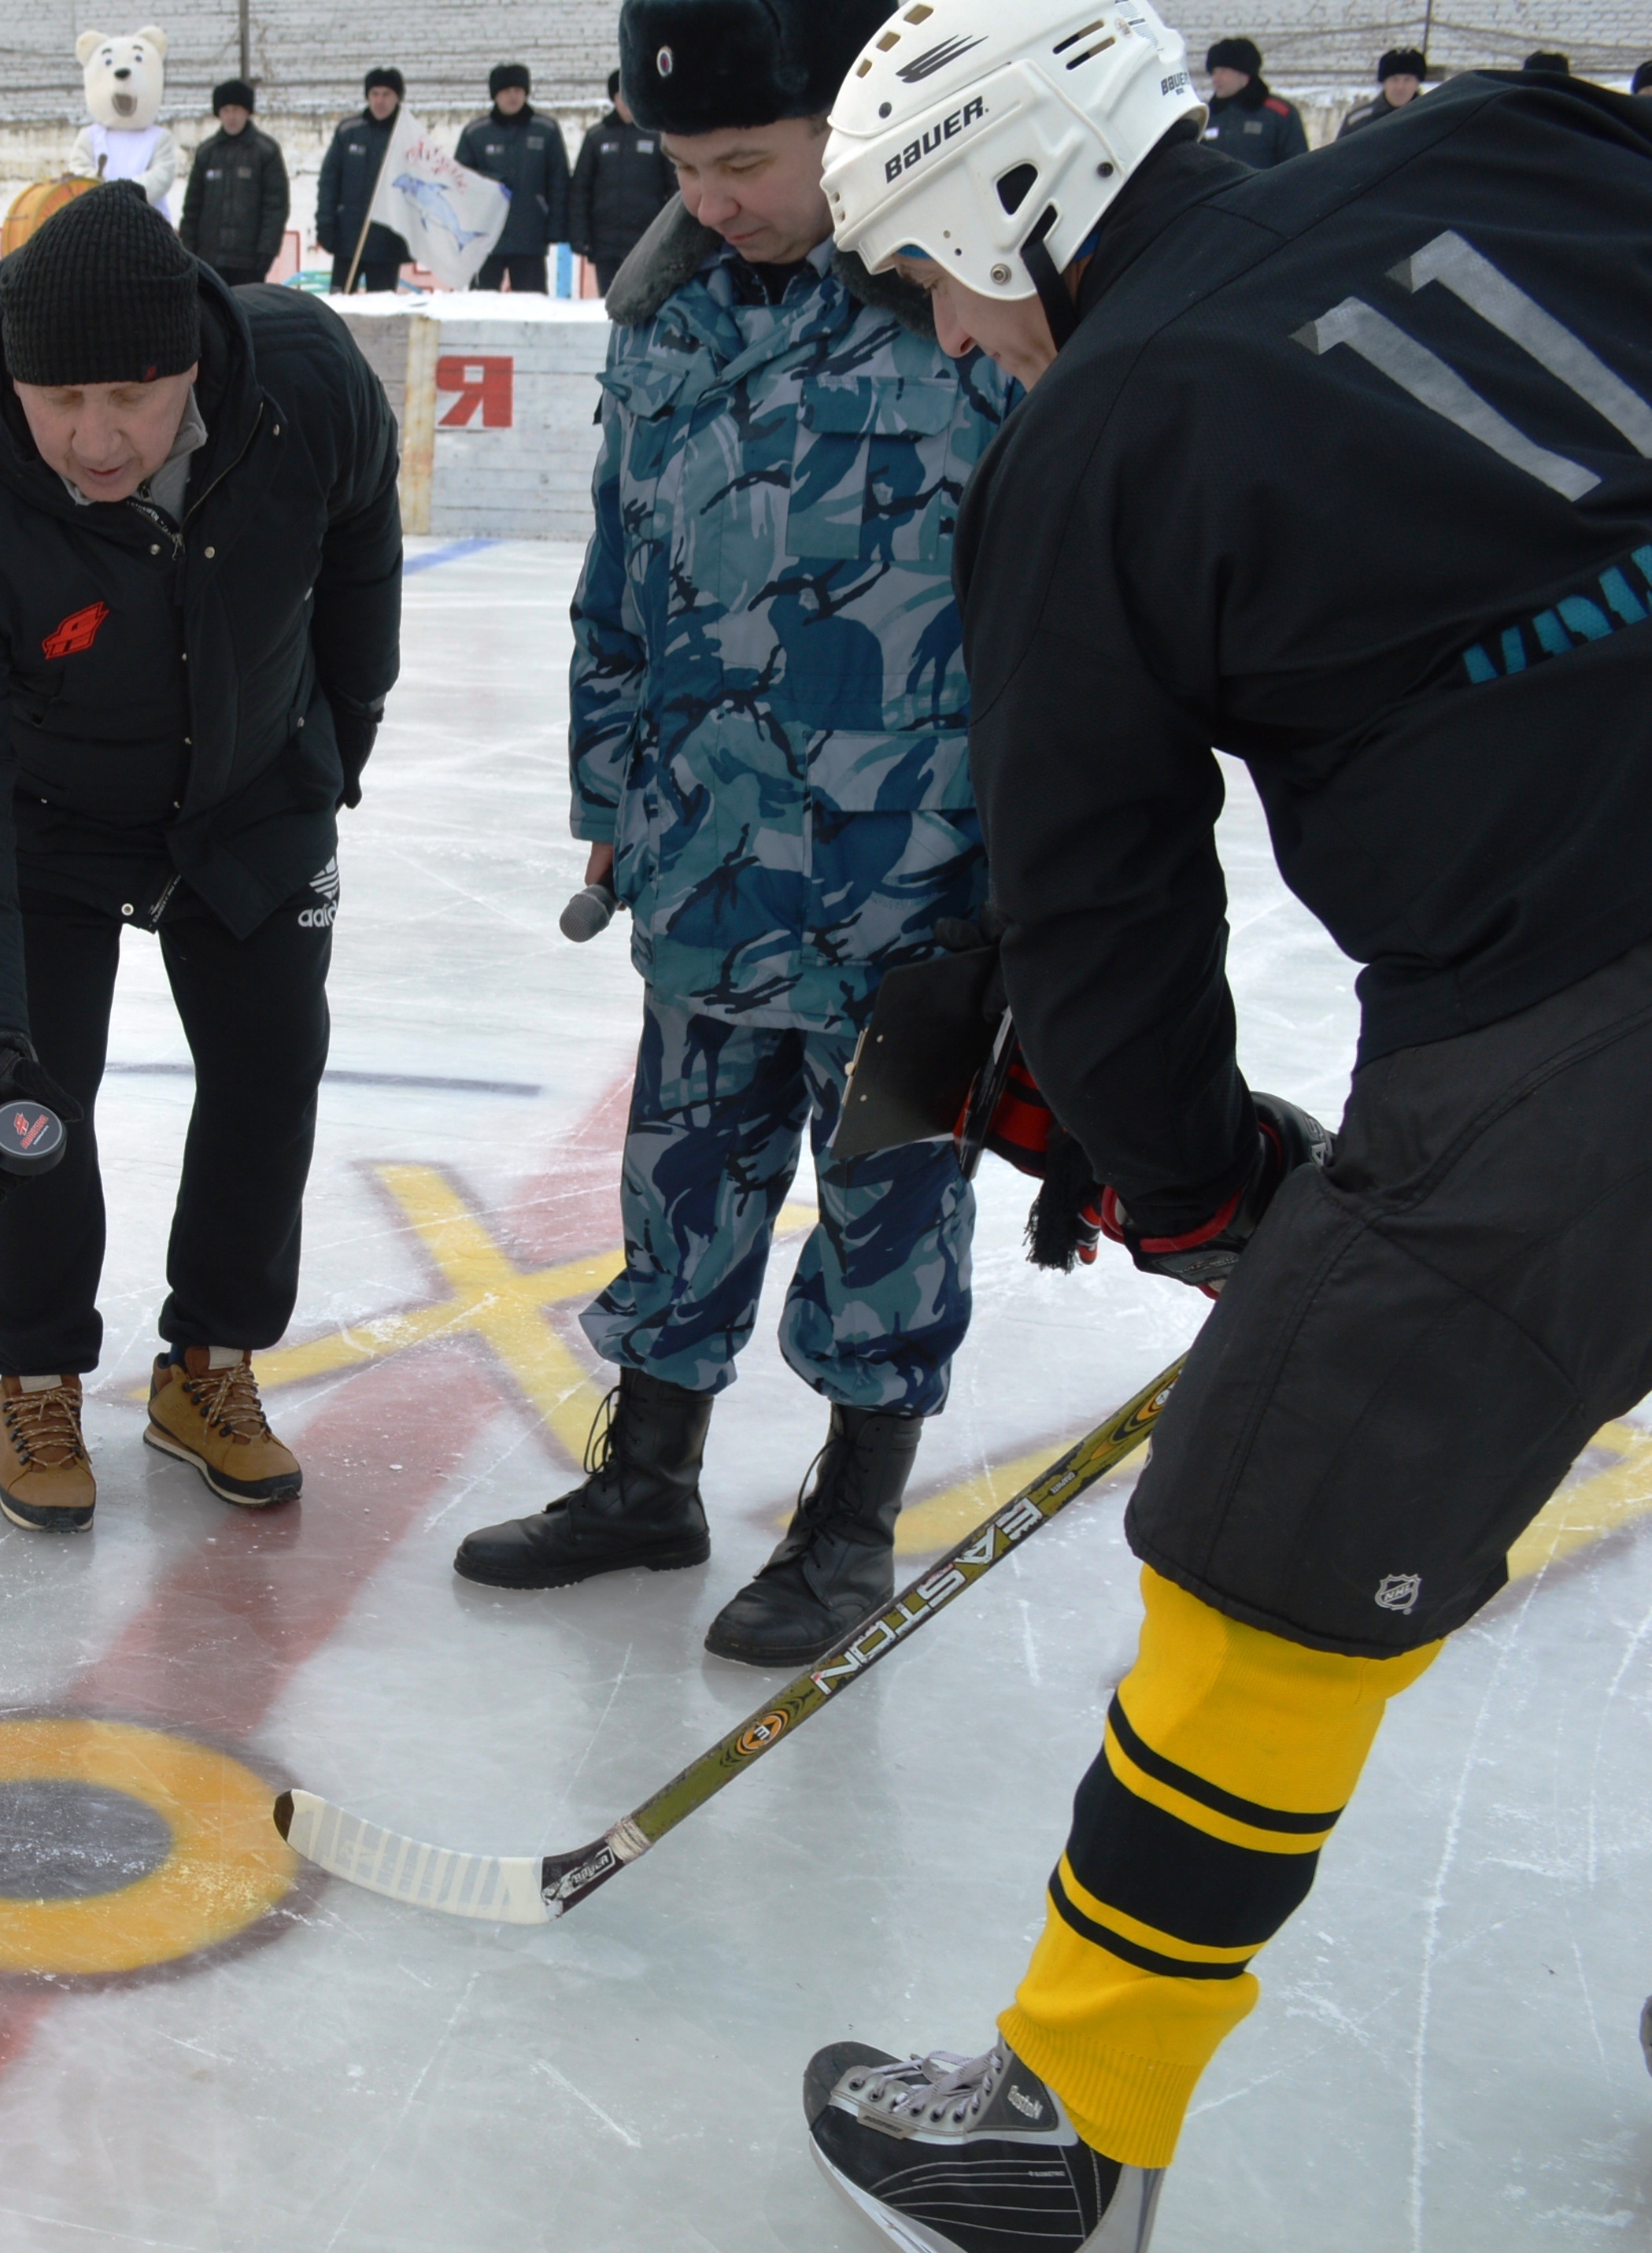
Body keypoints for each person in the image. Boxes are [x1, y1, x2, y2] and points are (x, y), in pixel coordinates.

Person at [805, 6, 1652, 2243]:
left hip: (1575, 1016)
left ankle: (1059, 2117)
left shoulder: (1090, 444)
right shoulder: (1512, 133)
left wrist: (1189, 1194)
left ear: (1012, 200)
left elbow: (1098, 905)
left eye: (936, 285)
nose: (958, 343)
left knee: (1270, 1528)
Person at [447, 0, 1018, 1669]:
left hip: (912, 863)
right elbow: (618, 586)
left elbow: (1064, 604)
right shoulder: (670, 317)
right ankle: (652, 1476)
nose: (709, 198)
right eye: (684, 163)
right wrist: (611, 804)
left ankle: (852, 1518)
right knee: (684, 1168)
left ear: (853, 135)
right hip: (704, 842)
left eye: (745, 163)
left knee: (887, 1196)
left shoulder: (964, 312)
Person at [0, 184, 401, 1531]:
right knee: (31, 1101)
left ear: (194, 368)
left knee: (269, 1071)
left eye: (136, 397)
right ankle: (36, 1369)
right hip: (50, 820)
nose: (97, 439)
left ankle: (209, 1363)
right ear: (13, 379)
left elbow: (358, 541)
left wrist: (345, 722)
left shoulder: (304, 383)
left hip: (256, 778)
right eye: (62, 403)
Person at [454, 65, 571, 294]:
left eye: (518, 89)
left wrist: (555, 227)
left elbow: (559, 181)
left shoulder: (546, 129)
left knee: (532, 307)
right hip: (486, 240)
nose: (512, 96)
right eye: (506, 90)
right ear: (495, 94)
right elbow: (460, 183)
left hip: (530, 236)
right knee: (482, 306)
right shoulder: (475, 133)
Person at [569, 76, 678, 294]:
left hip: (647, 241)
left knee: (644, 300)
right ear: (614, 98)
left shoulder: (658, 136)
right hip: (605, 243)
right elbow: (580, 190)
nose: (626, 102)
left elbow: (675, 187)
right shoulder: (596, 137)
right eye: (621, 95)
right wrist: (580, 235)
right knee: (608, 304)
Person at [178, 79, 288, 287]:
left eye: (236, 110)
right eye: (226, 110)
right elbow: (192, 207)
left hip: (249, 263)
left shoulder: (266, 151)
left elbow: (276, 207)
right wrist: (189, 250)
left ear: (247, 112)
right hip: (210, 261)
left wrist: (266, 252)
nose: (231, 117)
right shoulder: (206, 152)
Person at [315, 69, 409, 294]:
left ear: (397, 98)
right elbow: (329, 181)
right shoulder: (348, 131)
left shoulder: (407, 136)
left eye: (387, 94)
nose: (380, 100)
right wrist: (325, 224)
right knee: (339, 306)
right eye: (375, 94)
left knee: (382, 312)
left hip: (387, 244)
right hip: (348, 241)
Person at [1199, 38, 1310, 168]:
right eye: (1213, 72)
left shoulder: (1279, 114)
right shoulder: (1206, 117)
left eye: (1223, 71)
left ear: (1244, 74)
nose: (1215, 79)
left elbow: (1299, 166)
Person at [1338, 46, 1428, 135]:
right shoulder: (1358, 122)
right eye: (1394, 80)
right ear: (1384, 83)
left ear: (1417, 84)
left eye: (1408, 80)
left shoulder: (1430, 118)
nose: (1400, 87)